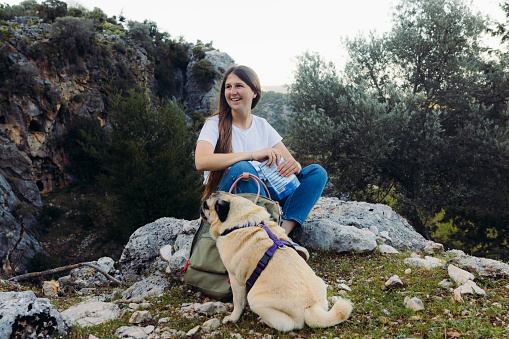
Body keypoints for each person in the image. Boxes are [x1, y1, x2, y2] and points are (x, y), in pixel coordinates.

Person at [194, 65, 327, 260]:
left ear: (254, 92)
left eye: (239, 86)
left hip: (265, 198)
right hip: (231, 200)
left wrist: (296, 166)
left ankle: (279, 235)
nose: (232, 92)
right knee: (243, 169)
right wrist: (251, 155)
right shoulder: (214, 124)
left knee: (316, 172)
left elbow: (290, 163)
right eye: (228, 87)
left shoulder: (262, 125)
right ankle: (273, 239)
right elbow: (201, 161)